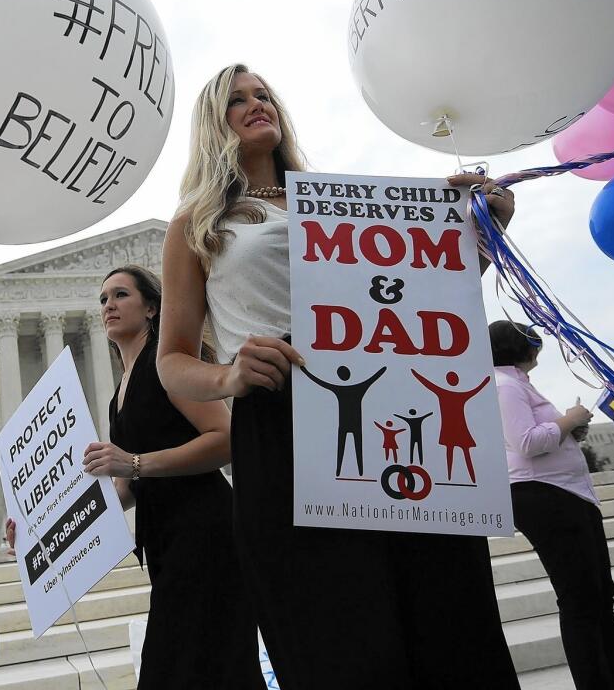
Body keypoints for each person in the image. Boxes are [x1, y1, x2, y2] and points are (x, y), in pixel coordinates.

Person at [155, 63, 520, 688]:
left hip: (397, 408)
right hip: (284, 416)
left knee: (445, 612)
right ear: (214, 124)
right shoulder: (198, 223)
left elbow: (414, 306)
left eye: (264, 95)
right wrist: (229, 378)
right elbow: (172, 361)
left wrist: (482, 235)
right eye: (236, 100)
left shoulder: (339, 202)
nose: (255, 105)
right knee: (338, 629)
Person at [7, 265, 264, 689]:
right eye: (103, 298)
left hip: (207, 533)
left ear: (151, 308)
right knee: (206, 669)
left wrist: (136, 462)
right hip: (166, 541)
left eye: (121, 295)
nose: (108, 305)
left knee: (195, 667)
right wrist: (38, 532)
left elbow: (226, 439)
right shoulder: (118, 396)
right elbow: (123, 490)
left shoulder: (166, 366)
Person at [490, 320, 614, 689]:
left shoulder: (516, 384)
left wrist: (570, 429)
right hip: (546, 496)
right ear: (525, 348)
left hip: (567, 494)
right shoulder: (504, 386)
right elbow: (526, 443)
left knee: (598, 597)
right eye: (534, 343)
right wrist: (570, 419)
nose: (538, 349)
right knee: (581, 601)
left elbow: (539, 437)